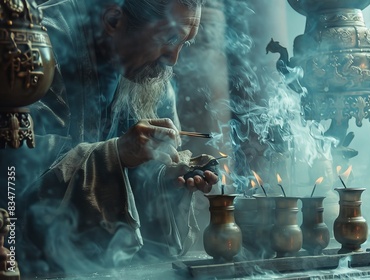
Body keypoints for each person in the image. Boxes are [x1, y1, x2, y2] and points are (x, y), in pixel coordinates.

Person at [1, 0, 218, 274]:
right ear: (114, 20)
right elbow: (14, 170)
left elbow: (144, 181)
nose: (173, 58)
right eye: (169, 38)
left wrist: (166, 180)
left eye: (183, 43)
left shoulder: (152, 75)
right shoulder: (37, 45)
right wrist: (116, 154)